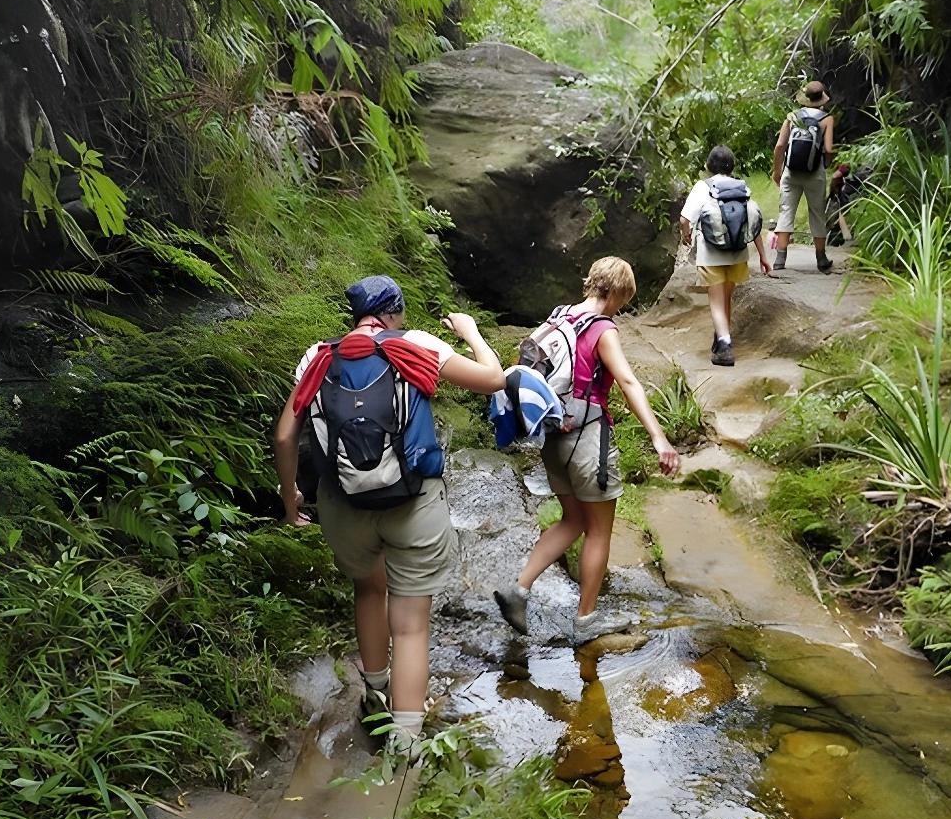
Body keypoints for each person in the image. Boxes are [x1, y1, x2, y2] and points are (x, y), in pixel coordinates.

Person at [272, 275, 505, 758]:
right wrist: (471, 332)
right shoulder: (414, 345)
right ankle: (405, 740)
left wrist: (292, 500)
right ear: (395, 312)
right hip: (412, 503)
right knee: (412, 625)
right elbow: (495, 380)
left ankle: (374, 695)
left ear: (354, 314)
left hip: (343, 506)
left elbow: (283, 438)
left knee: (368, 588)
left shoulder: (318, 356)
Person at [493, 257, 681, 643]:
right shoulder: (601, 328)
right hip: (588, 439)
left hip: (553, 434)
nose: (621, 309)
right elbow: (627, 382)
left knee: (572, 520)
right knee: (598, 532)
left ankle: (518, 590)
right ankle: (586, 620)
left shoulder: (558, 317)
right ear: (614, 292)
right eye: (622, 301)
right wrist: (659, 437)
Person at [678, 145, 773, 367]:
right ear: (733, 166)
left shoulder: (703, 187)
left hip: (711, 255)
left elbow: (684, 219)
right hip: (738, 255)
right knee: (725, 300)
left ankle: (724, 344)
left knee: (716, 302)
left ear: (709, 165)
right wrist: (763, 257)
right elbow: (753, 225)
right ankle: (722, 337)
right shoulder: (742, 187)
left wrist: (686, 236)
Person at [771, 80, 837, 273]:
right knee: (817, 213)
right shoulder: (827, 119)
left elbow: (779, 146)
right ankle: (821, 259)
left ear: (805, 98)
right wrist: (825, 164)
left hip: (790, 171)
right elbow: (828, 148)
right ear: (822, 98)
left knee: (786, 212)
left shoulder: (792, 116)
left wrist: (777, 171)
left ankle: (780, 259)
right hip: (814, 172)